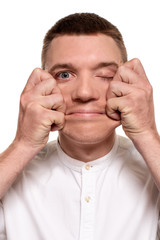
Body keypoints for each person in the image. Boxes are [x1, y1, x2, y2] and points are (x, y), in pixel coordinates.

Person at [0, 12, 160, 240]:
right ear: (43, 84)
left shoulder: (152, 171)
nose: (84, 93)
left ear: (127, 82)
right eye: (65, 74)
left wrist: (146, 133)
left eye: (105, 75)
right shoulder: (11, 176)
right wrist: (23, 144)